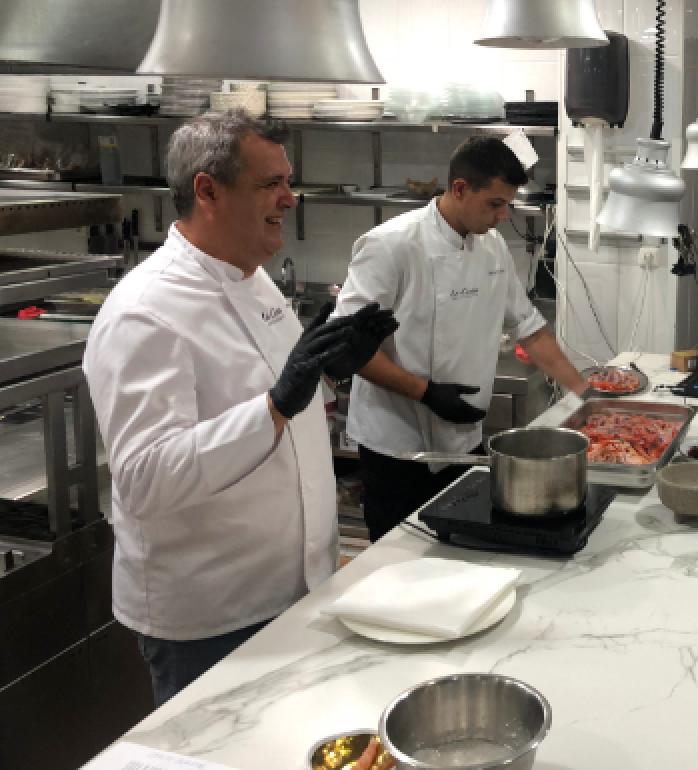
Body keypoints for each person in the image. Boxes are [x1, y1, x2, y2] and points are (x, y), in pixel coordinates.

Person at [84, 109, 397, 707]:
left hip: (297, 589)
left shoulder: (251, 277)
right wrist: (275, 406)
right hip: (211, 618)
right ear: (208, 190)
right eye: (271, 184)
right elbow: (147, 478)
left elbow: (278, 398)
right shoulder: (144, 312)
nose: (291, 198)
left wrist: (331, 373)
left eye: (289, 181)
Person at [333, 136, 589, 541]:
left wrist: (586, 400)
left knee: (458, 550)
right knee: (399, 561)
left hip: (463, 438)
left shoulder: (492, 249)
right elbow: (346, 346)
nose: (504, 215)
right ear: (459, 189)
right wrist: (426, 393)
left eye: (508, 204)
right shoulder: (391, 245)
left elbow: (530, 329)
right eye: (495, 204)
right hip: (398, 446)